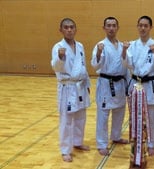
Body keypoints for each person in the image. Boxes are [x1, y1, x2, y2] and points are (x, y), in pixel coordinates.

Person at [122, 15, 154, 157]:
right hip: (136, 83)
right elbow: (127, 64)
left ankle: (152, 144)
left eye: (146, 25)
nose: (143, 28)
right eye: (140, 25)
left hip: (150, 84)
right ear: (137, 27)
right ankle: (136, 142)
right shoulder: (132, 45)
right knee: (135, 115)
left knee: (151, 116)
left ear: (150, 27)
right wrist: (123, 50)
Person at [51, 18, 91, 162]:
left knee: (81, 116)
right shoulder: (58, 47)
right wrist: (60, 58)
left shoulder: (80, 46)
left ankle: (77, 142)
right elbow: (56, 67)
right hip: (67, 87)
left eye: (72, 27)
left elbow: (83, 66)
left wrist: (87, 85)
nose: (69, 30)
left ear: (75, 29)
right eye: (66, 27)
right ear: (61, 30)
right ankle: (65, 150)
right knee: (67, 119)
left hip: (80, 86)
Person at [91, 16, 130, 156]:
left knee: (119, 111)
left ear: (117, 28)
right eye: (108, 25)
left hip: (120, 83)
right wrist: (99, 53)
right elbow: (95, 65)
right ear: (104, 28)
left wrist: (128, 84)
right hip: (106, 84)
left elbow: (127, 66)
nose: (111, 28)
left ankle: (116, 136)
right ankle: (101, 143)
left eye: (114, 25)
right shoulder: (100, 45)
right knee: (103, 114)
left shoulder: (122, 45)